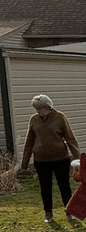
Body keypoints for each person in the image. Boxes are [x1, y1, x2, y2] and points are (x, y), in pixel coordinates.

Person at [17, 95, 80, 223]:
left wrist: (79, 159)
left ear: (48, 107)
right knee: (45, 187)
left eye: (40, 109)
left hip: (61, 158)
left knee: (64, 186)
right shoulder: (34, 119)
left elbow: (70, 138)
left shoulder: (60, 117)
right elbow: (29, 142)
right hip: (41, 160)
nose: (38, 112)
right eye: (36, 109)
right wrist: (24, 165)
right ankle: (48, 213)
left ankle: (69, 211)